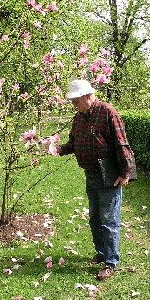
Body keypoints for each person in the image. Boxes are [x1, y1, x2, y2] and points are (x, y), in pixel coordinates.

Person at [56, 79, 135, 280]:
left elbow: (122, 144)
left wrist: (126, 172)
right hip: (90, 174)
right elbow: (74, 143)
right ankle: (102, 253)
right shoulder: (79, 117)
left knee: (109, 220)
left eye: (76, 101)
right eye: (73, 102)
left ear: (87, 95)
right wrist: (60, 149)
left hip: (108, 175)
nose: (74, 105)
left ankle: (110, 262)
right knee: (95, 219)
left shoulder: (108, 112)